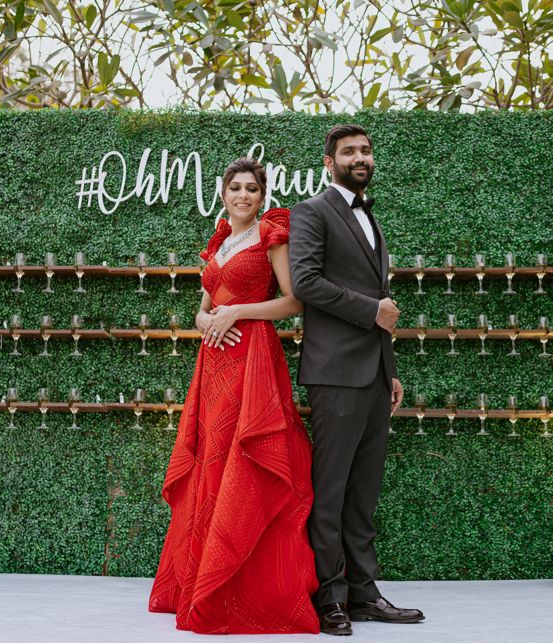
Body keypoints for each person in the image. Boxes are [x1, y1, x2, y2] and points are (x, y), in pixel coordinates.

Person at [148, 157, 319, 634]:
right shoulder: (221, 240)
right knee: (212, 461)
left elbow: (293, 301)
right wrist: (205, 320)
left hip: (251, 361)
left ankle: (242, 587)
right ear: (223, 194)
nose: (243, 196)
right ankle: (202, 578)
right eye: (235, 188)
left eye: (252, 189)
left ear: (262, 196)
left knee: (246, 459)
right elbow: (204, 306)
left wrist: (237, 312)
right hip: (213, 365)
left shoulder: (271, 236)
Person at [288, 124, 425, 636]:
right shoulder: (312, 212)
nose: (360, 157)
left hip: (372, 377)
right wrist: (372, 312)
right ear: (329, 162)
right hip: (334, 374)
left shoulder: (372, 220)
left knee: (363, 494)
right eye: (349, 152)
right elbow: (304, 283)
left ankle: (366, 595)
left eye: (366, 150)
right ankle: (331, 600)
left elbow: (380, 308)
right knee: (331, 492)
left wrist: (389, 371)